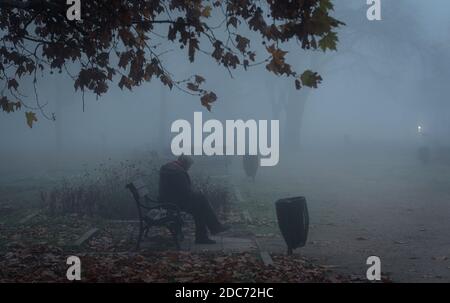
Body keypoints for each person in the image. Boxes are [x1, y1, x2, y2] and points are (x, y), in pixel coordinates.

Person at [158, 155, 229, 244]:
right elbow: (186, 193)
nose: (189, 169)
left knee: (200, 205)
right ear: (185, 163)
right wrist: (197, 194)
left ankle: (207, 233)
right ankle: (211, 230)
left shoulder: (169, 167)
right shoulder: (178, 172)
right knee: (201, 201)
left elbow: (181, 191)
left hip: (167, 200)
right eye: (189, 166)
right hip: (174, 203)